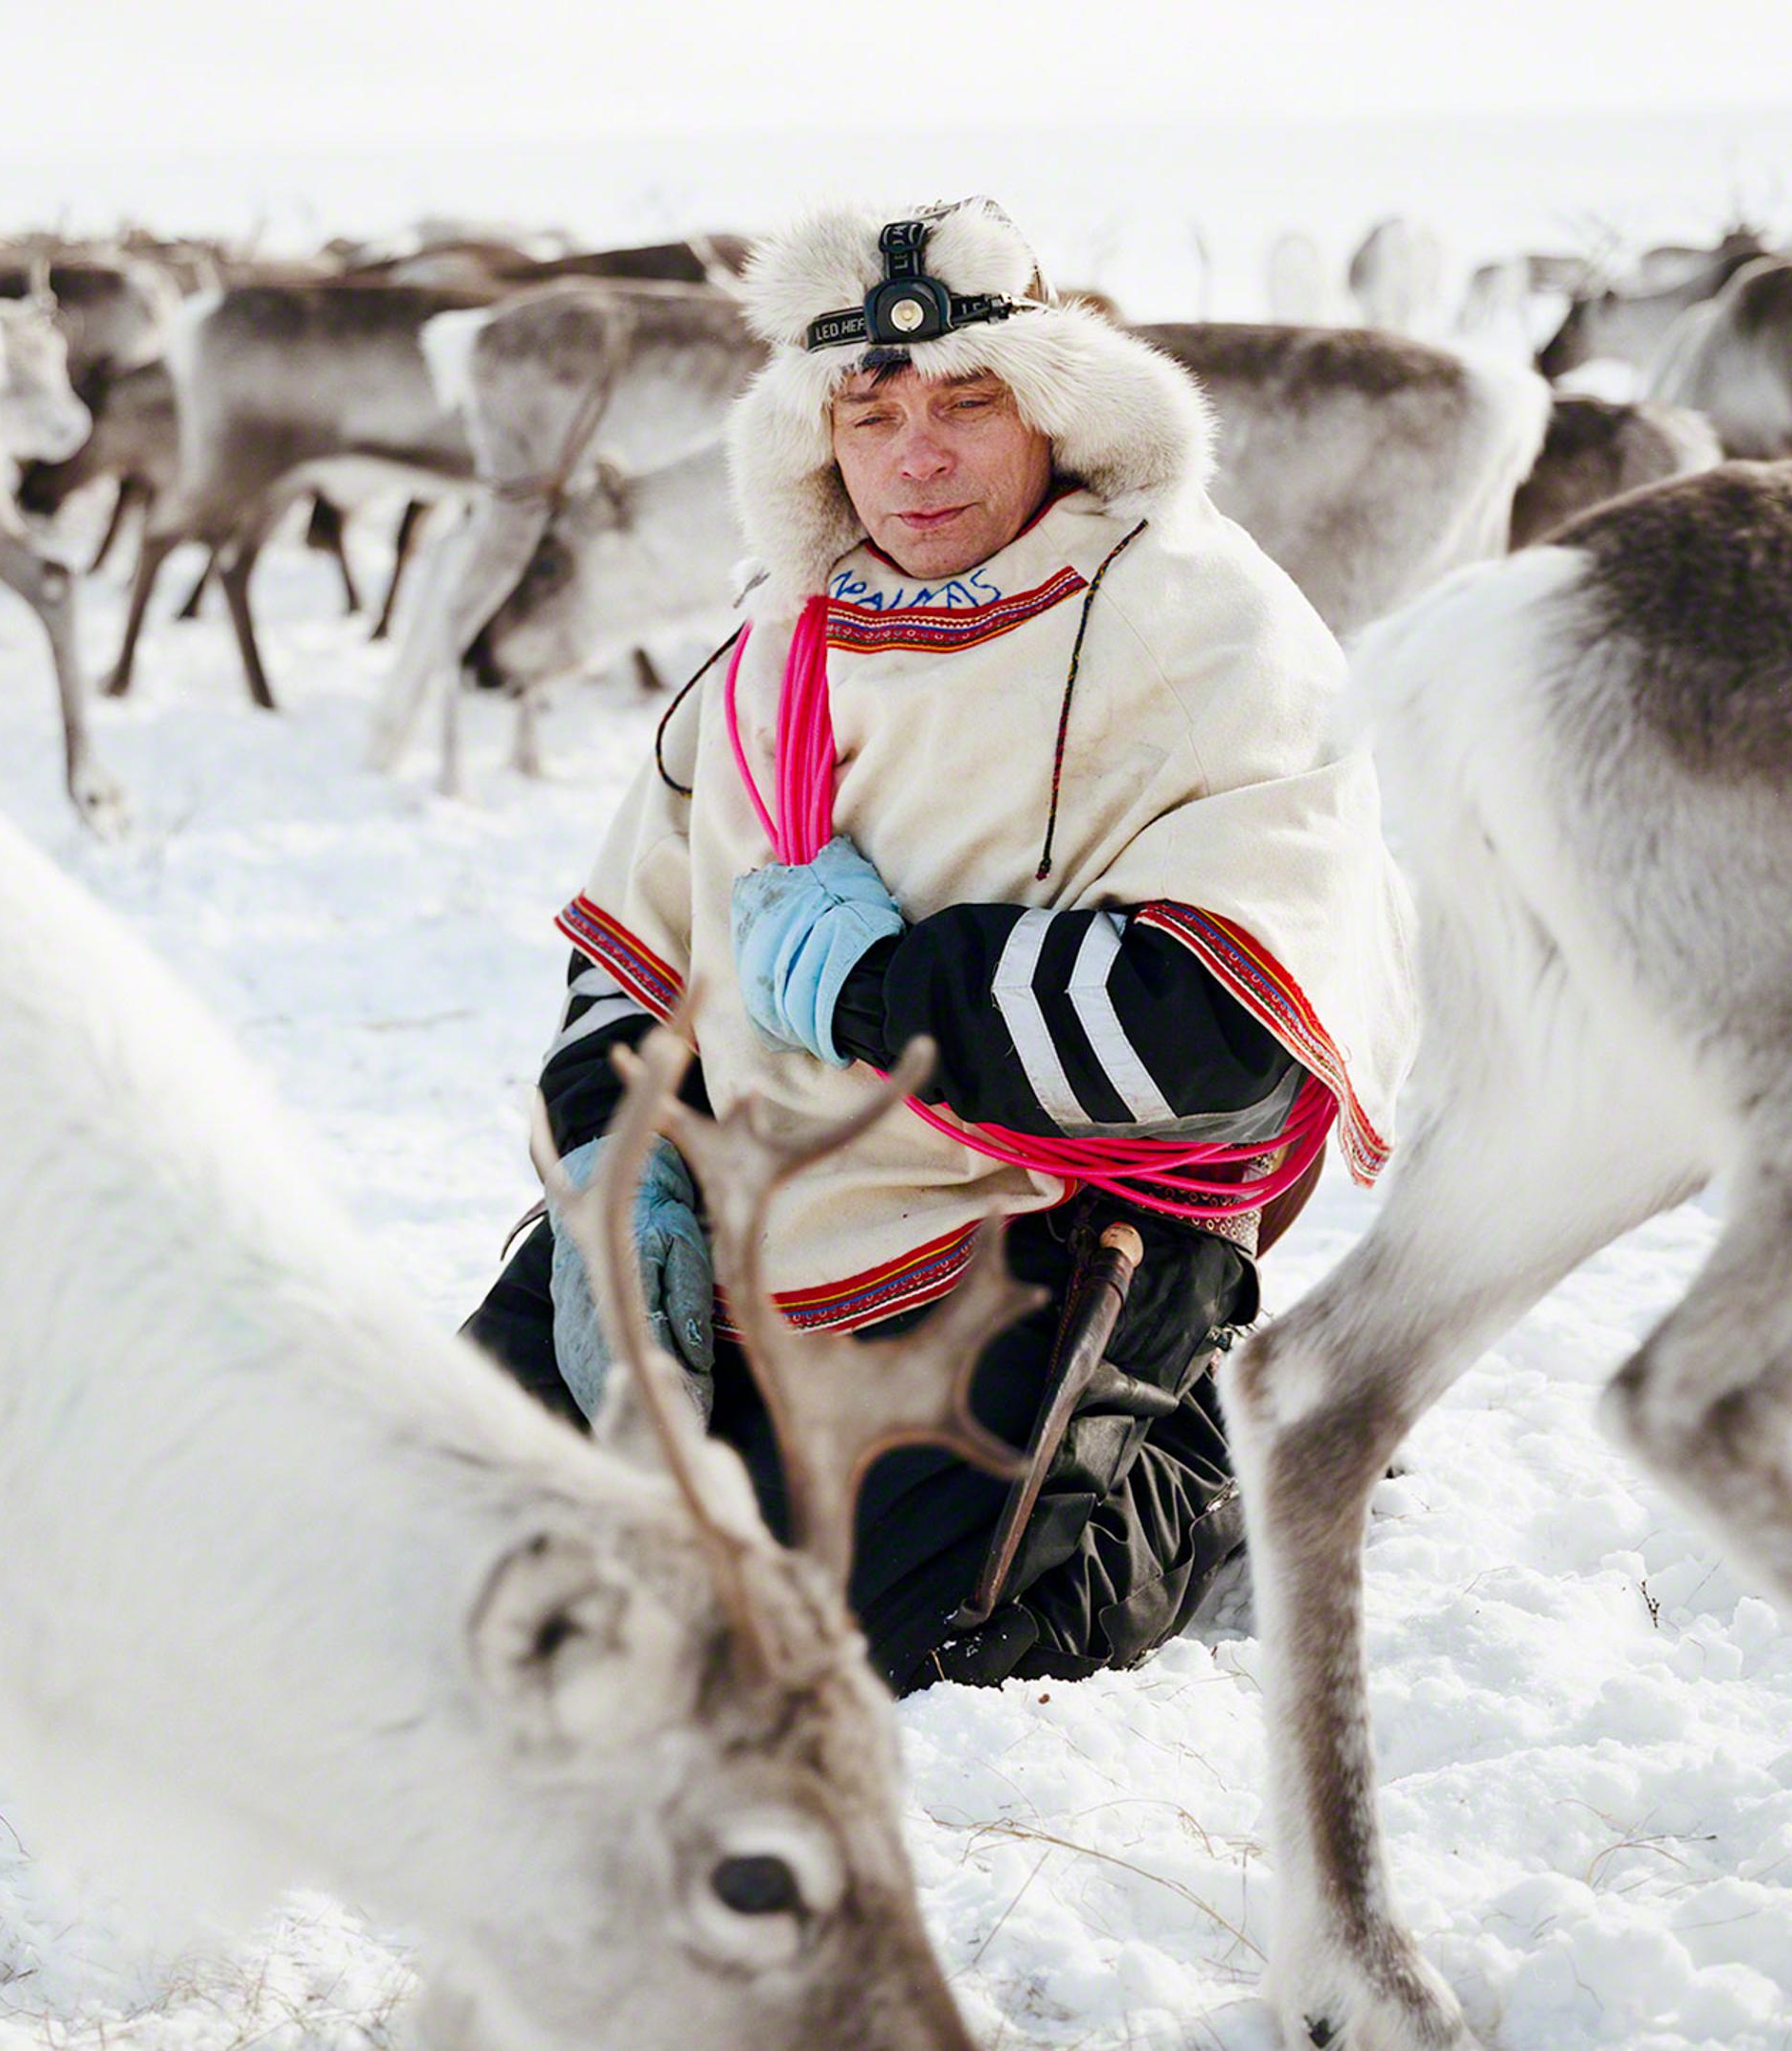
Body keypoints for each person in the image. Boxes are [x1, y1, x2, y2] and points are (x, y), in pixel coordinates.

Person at [462, 199, 1416, 1693]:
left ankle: (1214, 1462)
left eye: (968, 403)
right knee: (451, 1541)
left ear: (1057, 409)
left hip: (1035, 1217)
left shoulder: (1205, 624)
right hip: (734, 1212)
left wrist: (875, 988)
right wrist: (612, 1161)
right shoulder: (781, 641)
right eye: (873, 409)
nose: (916, 455)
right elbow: (635, 954)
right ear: (816, 437)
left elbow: (1217, 1029)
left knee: (901, 1654)